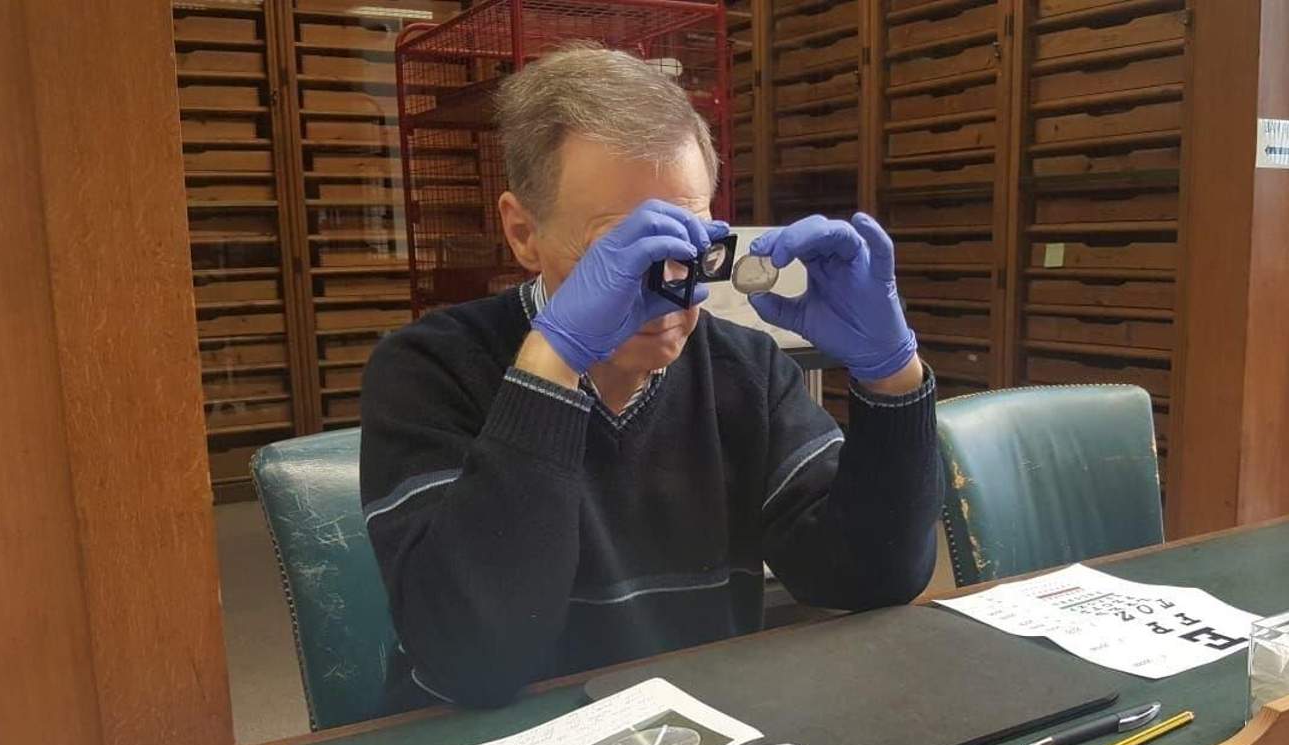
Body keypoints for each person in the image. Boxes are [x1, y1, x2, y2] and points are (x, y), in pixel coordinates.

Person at [361, 47, 941, 707]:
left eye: (688, 249)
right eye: (620, 253)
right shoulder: (428, 369)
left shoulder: (745, 372)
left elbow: (871, 576)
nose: (672, 291)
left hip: (692, 739)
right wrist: (554, 363)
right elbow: (476, 658)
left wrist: (892, 376)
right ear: (523, 233)